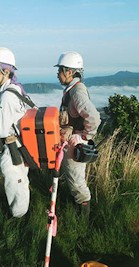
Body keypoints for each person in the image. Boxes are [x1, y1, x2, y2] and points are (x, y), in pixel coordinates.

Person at [54, 51, 101, 219]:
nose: (57, 74)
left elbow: (94, 117)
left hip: (76, 146)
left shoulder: (76, 92)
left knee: (77, 182)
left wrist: (84, 136)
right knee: (73, 179)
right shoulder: (72, 89)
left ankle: (83, 221)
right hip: (72, 144)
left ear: (69, 72)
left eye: (60, 70)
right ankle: (79, 211)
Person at [0, 47, 30, 218]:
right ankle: (22, 212)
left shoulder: (7, 96)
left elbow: (1, 130)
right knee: (21, 180)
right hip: (19, 145)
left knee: (14, 182)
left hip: (12, 147)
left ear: (5, 71)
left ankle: (18, 217)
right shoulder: (15, 89)